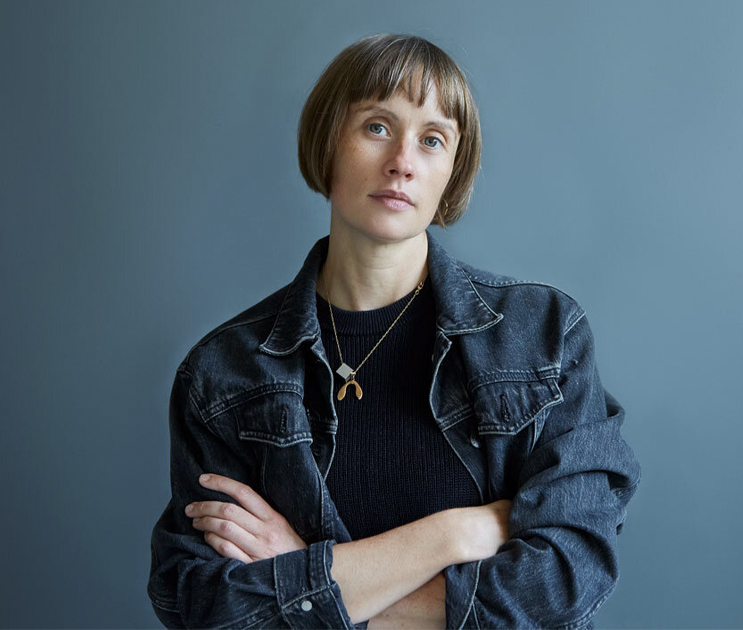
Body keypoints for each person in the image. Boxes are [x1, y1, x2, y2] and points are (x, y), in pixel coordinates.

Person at [148, 34, 640, 629]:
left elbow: (565, 579)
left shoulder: (544, 336)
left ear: (452, 172)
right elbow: (205, 606)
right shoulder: (225, 373)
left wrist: (308, 579)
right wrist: (453, 532)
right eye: (377, 127)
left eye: (433, 140)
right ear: (329, 142)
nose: (403, 160)